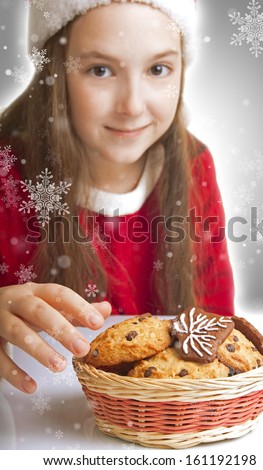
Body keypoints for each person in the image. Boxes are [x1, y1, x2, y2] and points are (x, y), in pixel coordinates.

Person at [0, 0, 234, 394]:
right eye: (100, 70)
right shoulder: (7, 174)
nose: (132, 106)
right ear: (55, 74)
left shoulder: (194, 167)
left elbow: (219, 326)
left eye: (158, 69)